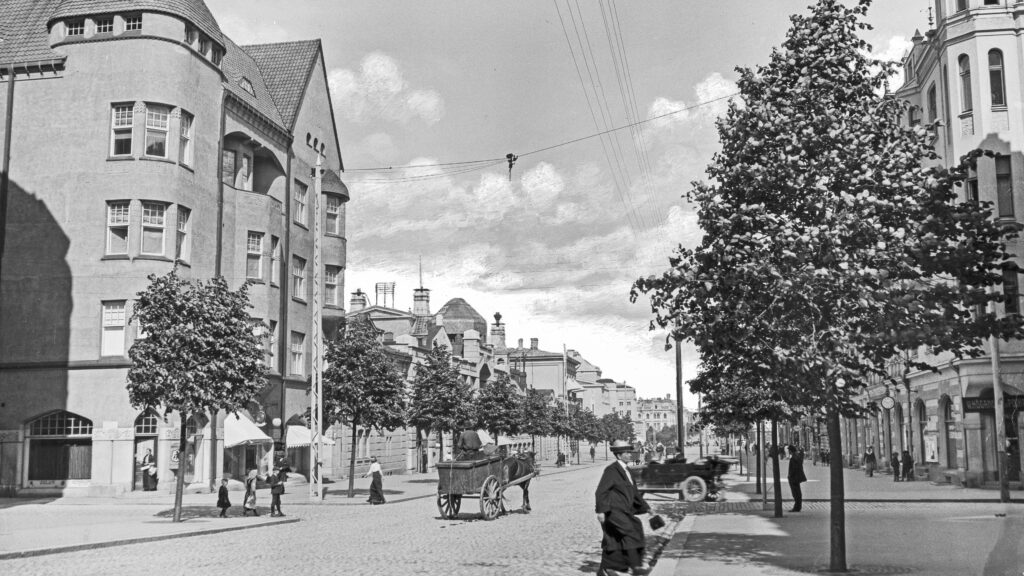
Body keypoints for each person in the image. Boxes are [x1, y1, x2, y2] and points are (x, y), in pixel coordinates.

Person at [595, 440, 650, 576]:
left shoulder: (627, 471)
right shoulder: (611, 470)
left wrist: (647, 508)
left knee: (615, 539)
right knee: (632, 531)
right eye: (627, 453)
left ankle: (605, 568)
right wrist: (601, 511)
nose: (630, 455)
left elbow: (635, 492)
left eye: (629, 452)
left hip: (624, 510)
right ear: (619, 456)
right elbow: (601, 491)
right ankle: (635, 565)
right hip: (613, 511)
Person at [787, 444, 806, 512]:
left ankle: (796, 507)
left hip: (794, 478)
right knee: (797, 492)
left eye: (789, 450)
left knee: (795, 493)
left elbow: (794, 469)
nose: (788, 451)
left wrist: (790, 475)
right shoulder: (797, 456)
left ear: (791, 450)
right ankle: (798, 506)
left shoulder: (793, 458)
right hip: (797, 477)